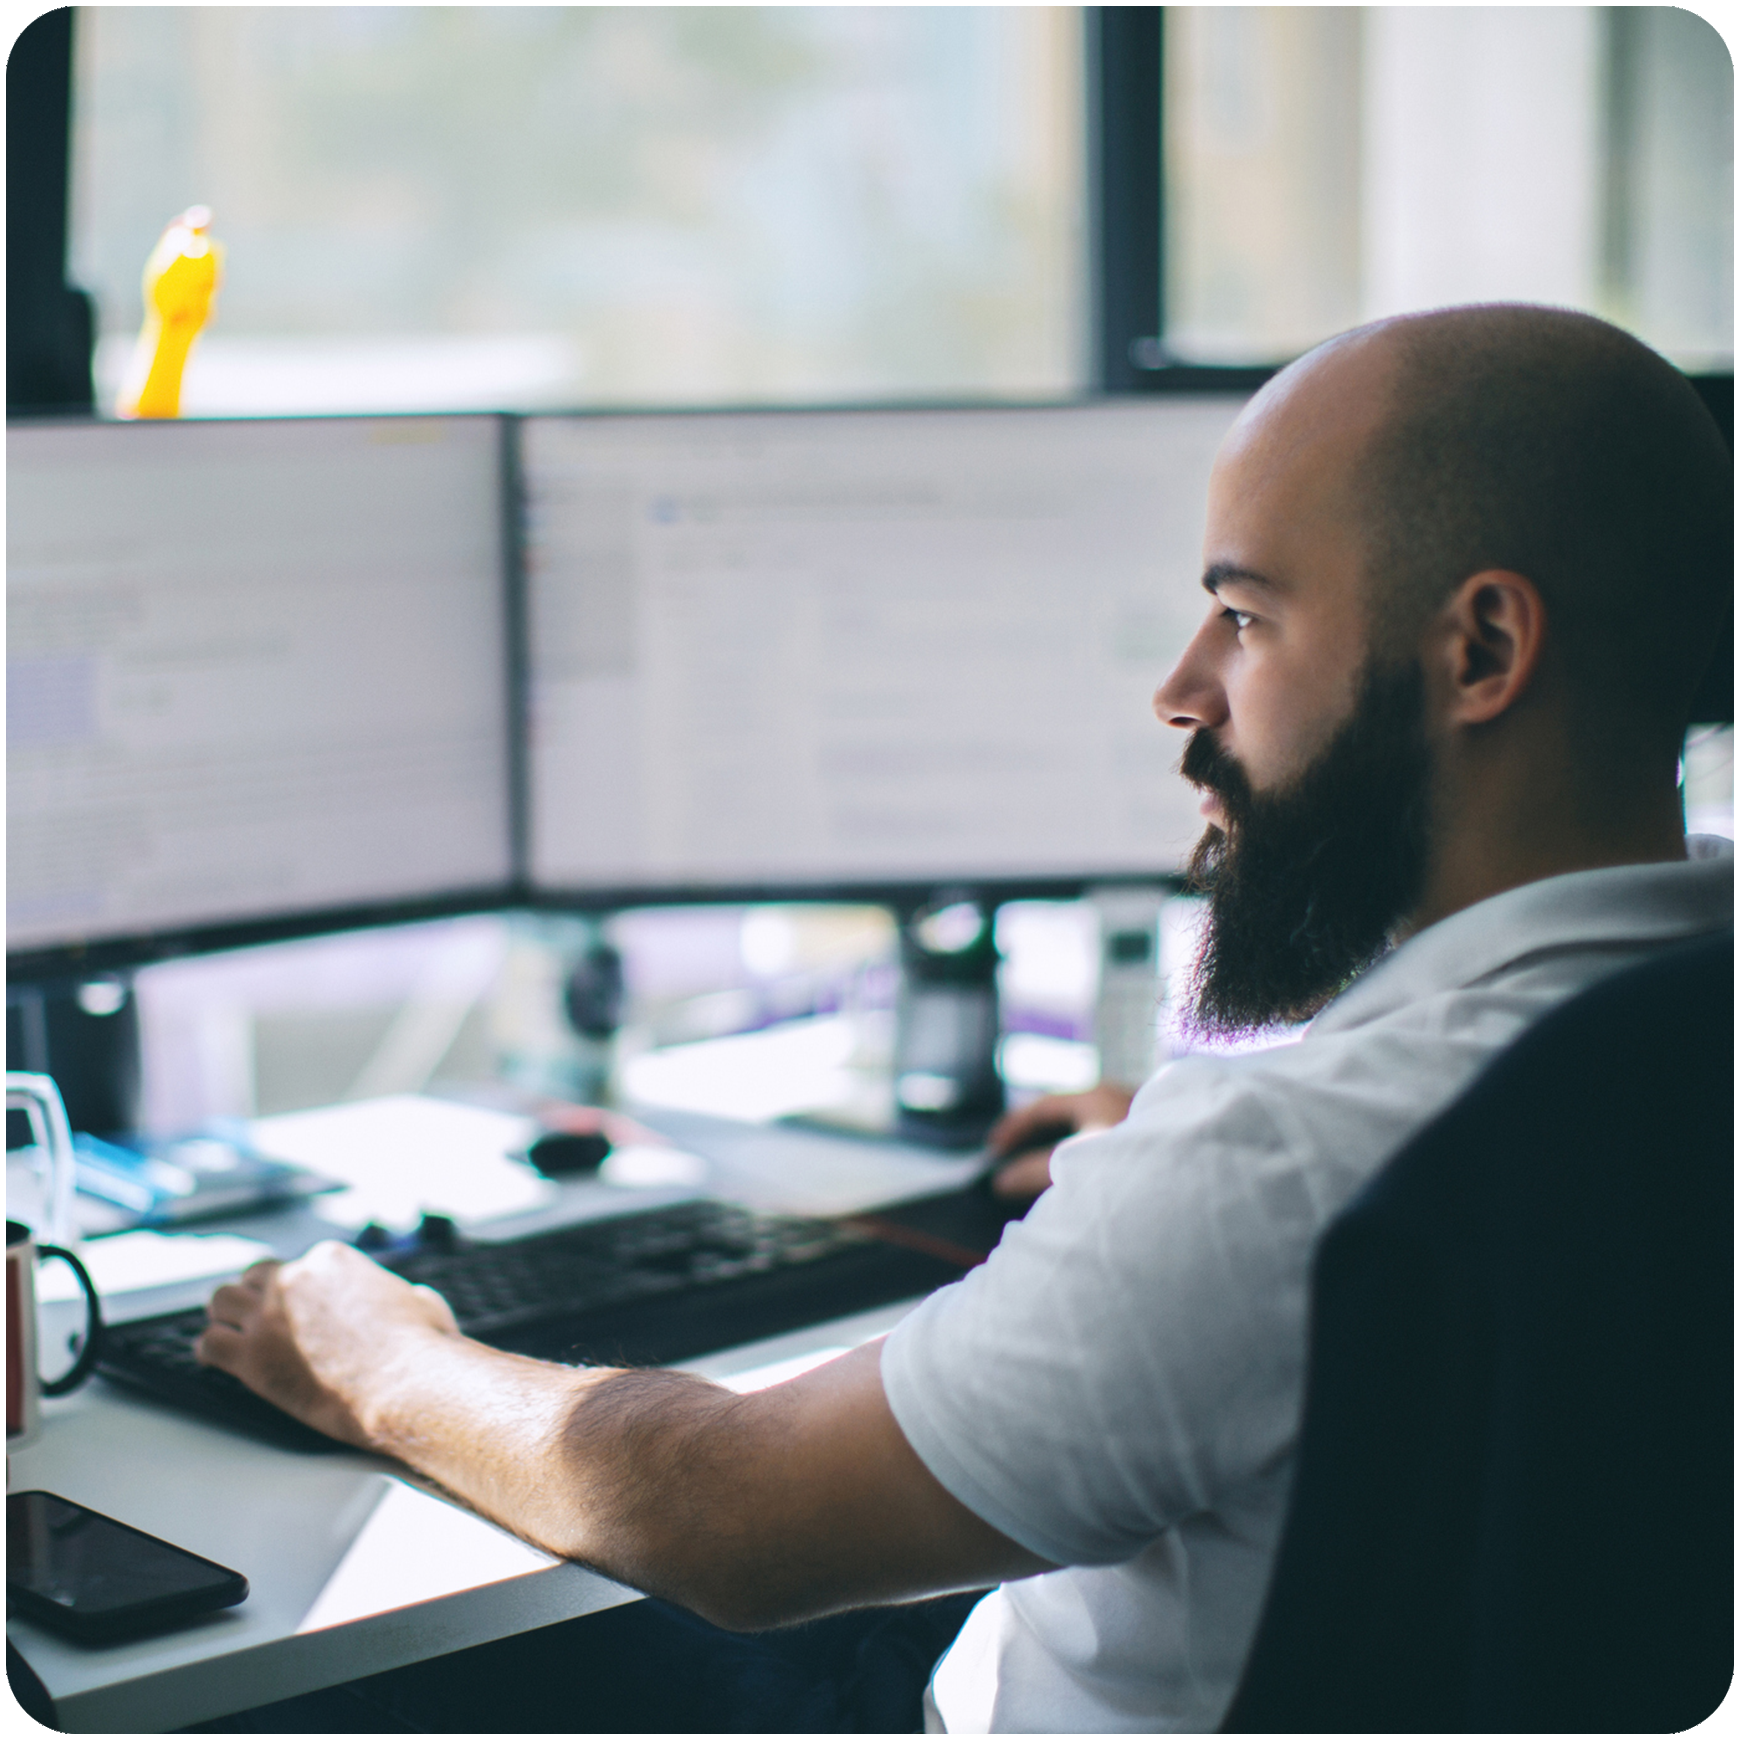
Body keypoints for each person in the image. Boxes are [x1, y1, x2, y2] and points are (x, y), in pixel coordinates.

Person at [195, 304, 1732, 1733]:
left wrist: (368, 1357)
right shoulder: (1663, 1021)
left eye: (1247, 619)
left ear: (1480, 652)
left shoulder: (1281, 1171)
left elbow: (731, 1520)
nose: (1184, 690)